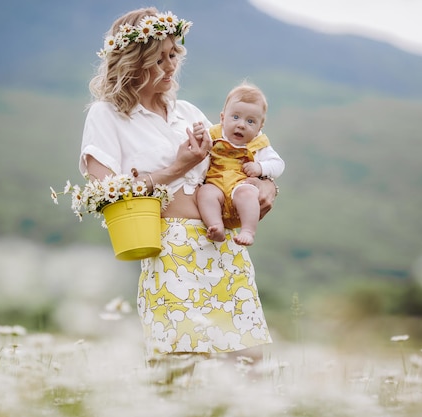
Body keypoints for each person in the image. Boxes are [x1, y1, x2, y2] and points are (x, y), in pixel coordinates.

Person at [78, 8, 277, 364]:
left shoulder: (188, 112)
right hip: (168, 248)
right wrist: (176, 167)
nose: (170, 66)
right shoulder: (107, 114)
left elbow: (235, 160)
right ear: (133, 62)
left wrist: (266, 185)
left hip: (223, 245)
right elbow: (103, 192)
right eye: (158, 59)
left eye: (174, 55)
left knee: (247, 360)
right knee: (183, 362)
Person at [195, 83, 284, 246]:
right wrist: (198, 134)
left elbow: (278, 164)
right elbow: (200, 144)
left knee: (248, 194)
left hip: (240, 185)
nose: (241, 125)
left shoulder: (258, 144)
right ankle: (216, 225)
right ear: (222, 118)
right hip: (216, 185)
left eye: (250, 121)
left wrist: (260, 168)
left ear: (260, 126)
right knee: (205, 193)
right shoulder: (214, 134)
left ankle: (248, 231)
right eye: (235, 117)